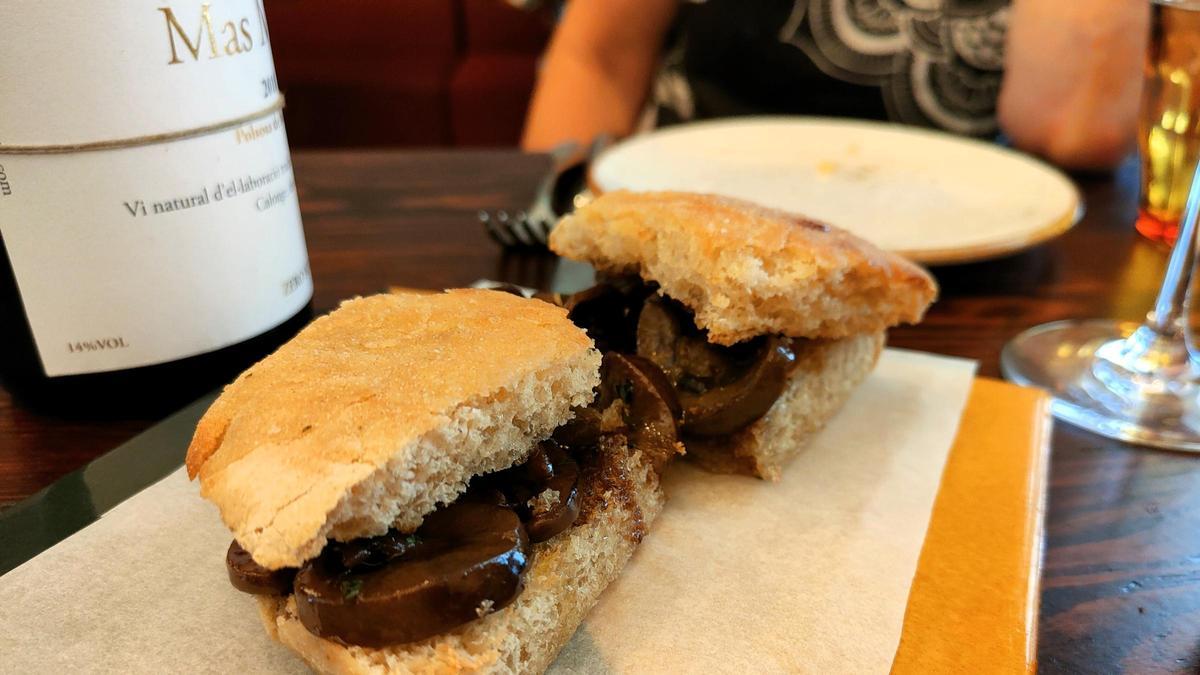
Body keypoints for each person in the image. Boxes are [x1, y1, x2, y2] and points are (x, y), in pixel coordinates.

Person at [522, 0, 1146, 170]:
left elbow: (1072, 130)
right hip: (676, 236)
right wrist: (561, 218)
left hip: (963, 273)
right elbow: (597, 58)